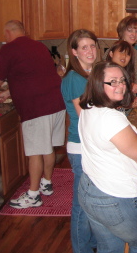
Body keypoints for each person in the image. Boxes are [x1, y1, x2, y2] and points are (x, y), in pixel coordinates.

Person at [0, 20, 65, 209]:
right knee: (47, 147)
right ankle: (46, 184)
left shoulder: (8, 50)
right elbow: (34, 75)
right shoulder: (38, 46)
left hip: (37, 108)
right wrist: (9, 92)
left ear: (7, 33)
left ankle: (33, 196)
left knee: (35, 153)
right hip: (56, 103)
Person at [78, 61, 137, 253]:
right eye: (112, 82)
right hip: (115, 198)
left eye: (122, 80)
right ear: (98, 84)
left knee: (109, 247)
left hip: (90, 190)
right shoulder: (110, 118)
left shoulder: (89, 107)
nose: (120, 86)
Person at [61, 29, 98, 253]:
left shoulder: (89, 74)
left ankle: (91, 244)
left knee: (91, 201)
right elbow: (85, 116)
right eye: (84, 47)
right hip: (81, 147)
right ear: (74, 52)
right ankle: (81, 249)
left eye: (92, 45)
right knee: (82, 205)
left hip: (90, 145)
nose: (90, 51)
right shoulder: (75, 78)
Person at [106, 40, 137, 112]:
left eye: (128, 54)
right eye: (121, 52)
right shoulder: (103, 73)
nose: (124, 56)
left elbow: (120, 105)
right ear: (111, 54)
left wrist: (130, 104)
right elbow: (103, 100)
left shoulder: (126, 75)